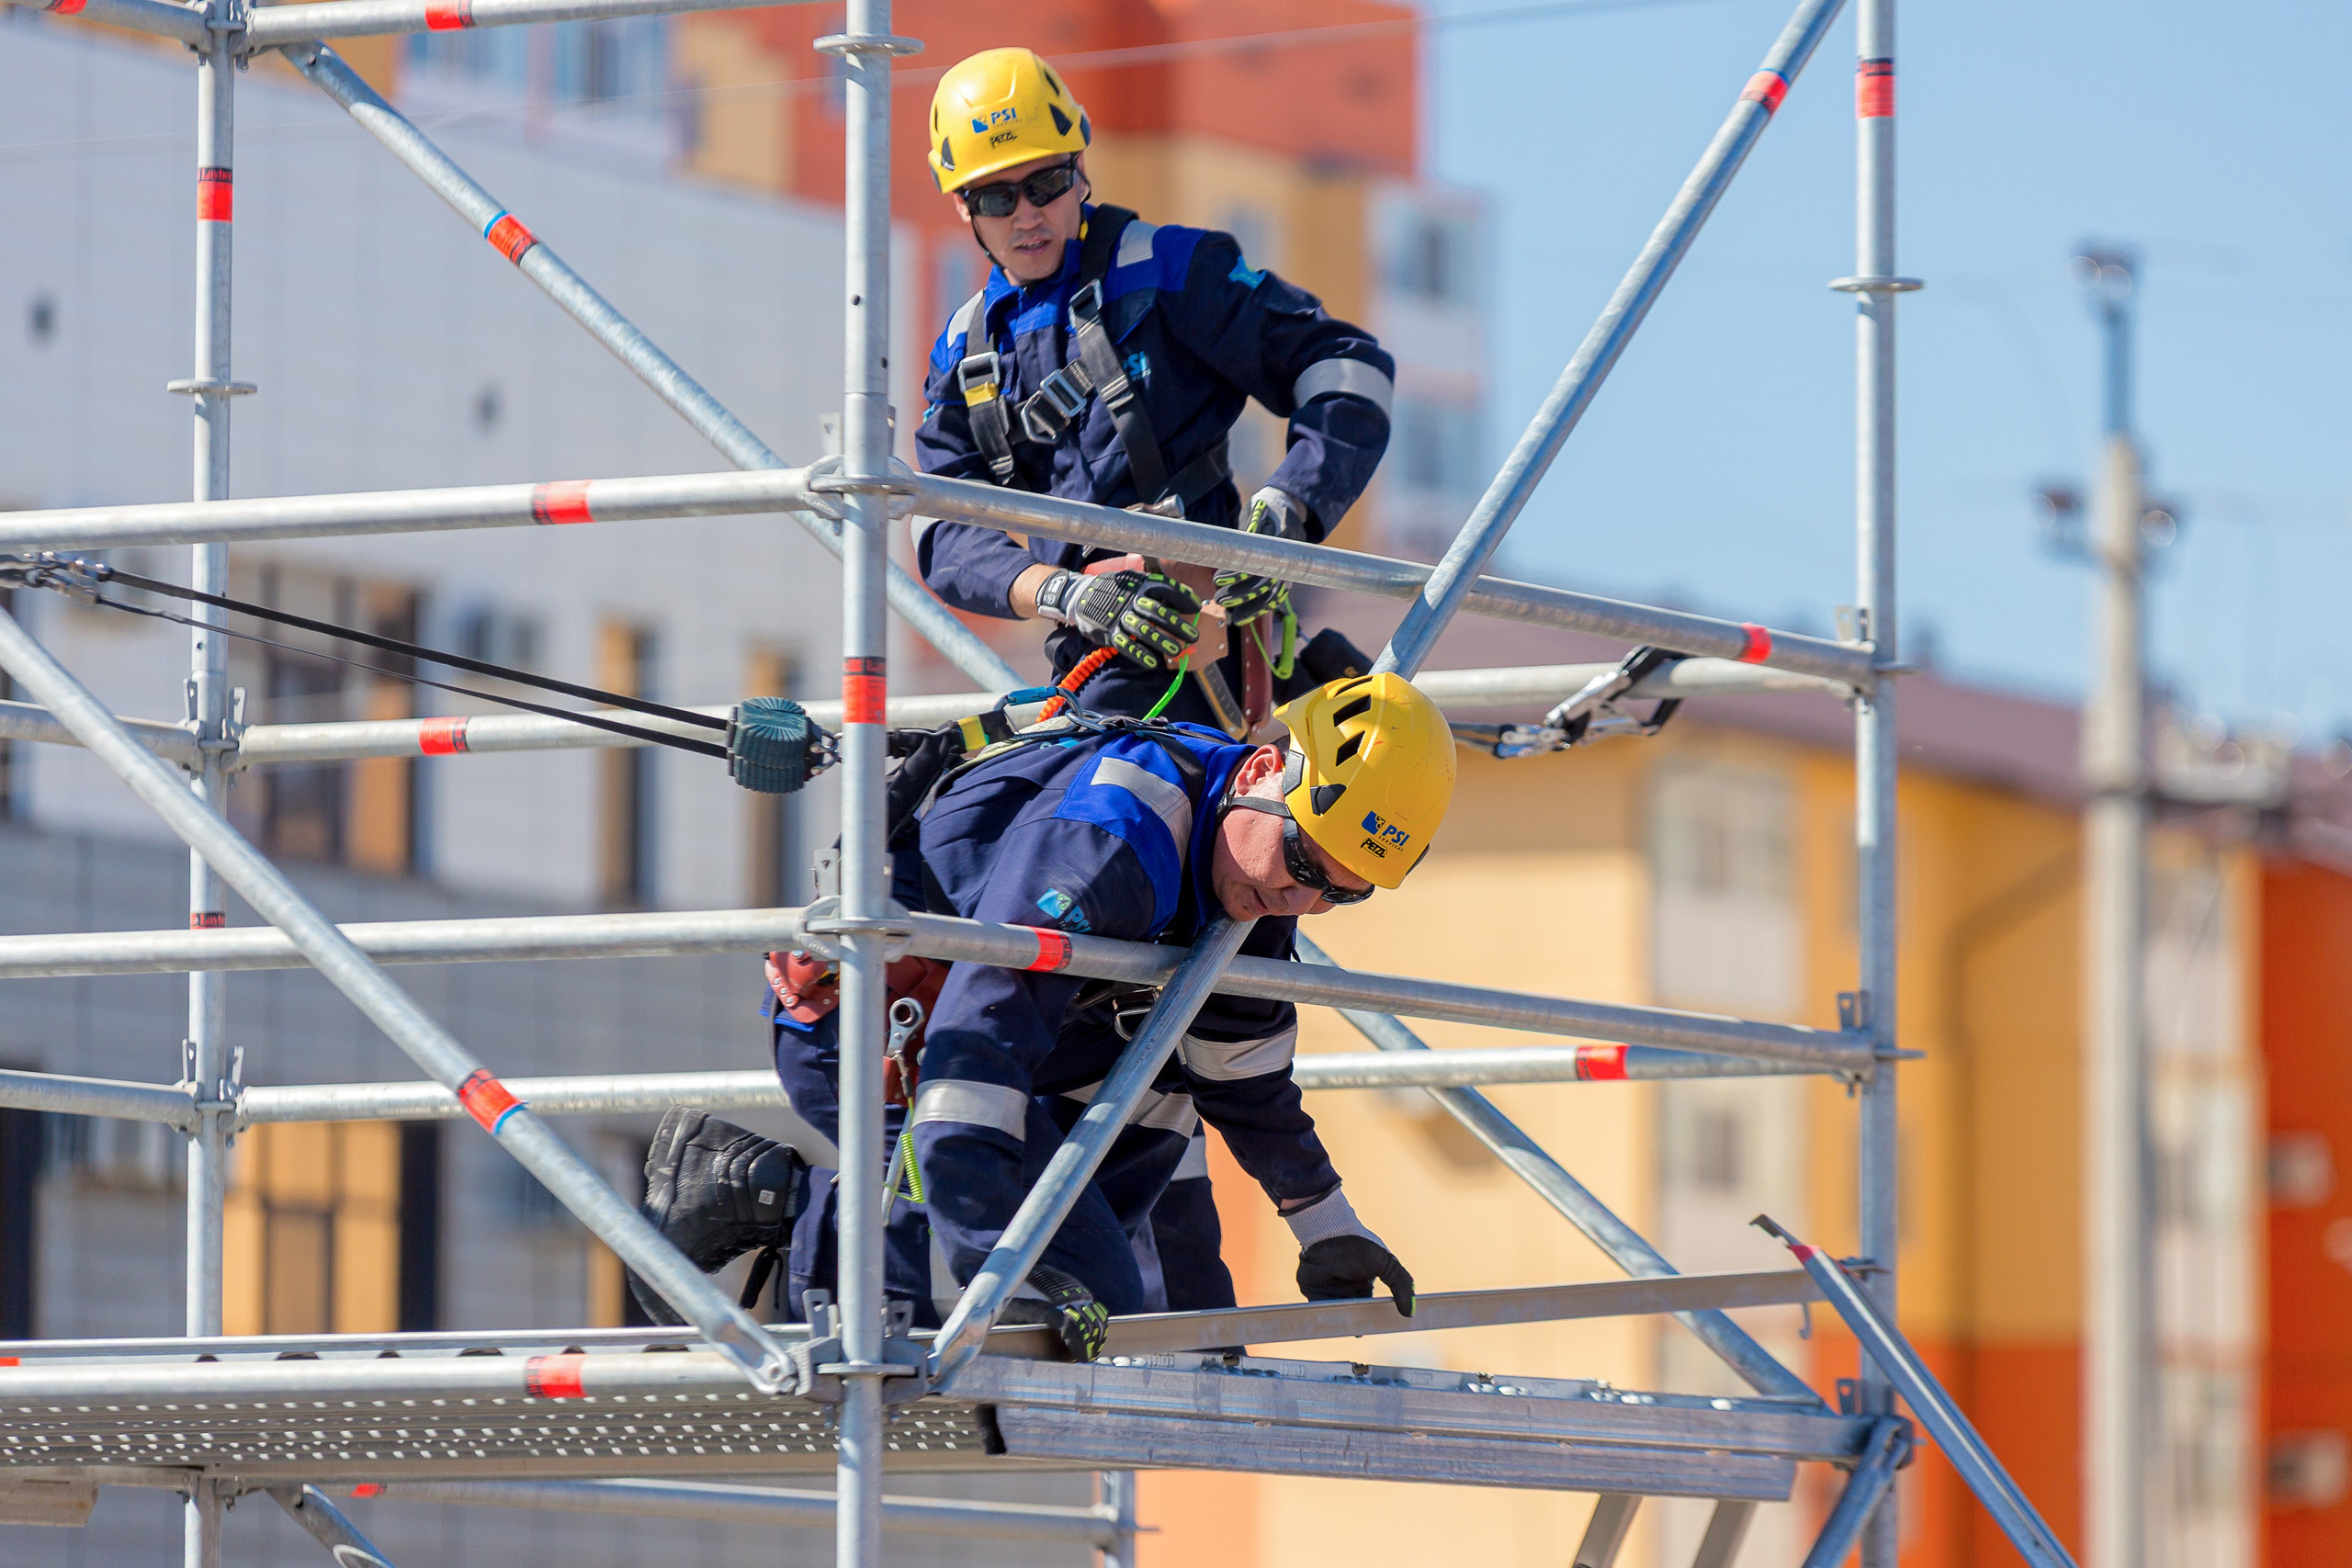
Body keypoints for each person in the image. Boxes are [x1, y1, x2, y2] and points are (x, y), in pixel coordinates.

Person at [632, 673, 1454, 1359]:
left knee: (1146, 1292)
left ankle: (849, 1216)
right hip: (880, 1041)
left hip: (1005, 1053)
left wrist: (1326, 1226)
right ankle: (764, 1196)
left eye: (1341, 891)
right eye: (1305, 859)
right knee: (1017, 1302)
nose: (1301, 898)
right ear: (1262, 771)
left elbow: (1244, 1075)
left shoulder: (1253, 878)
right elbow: (975, 1048)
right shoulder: (1108, 840)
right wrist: (1005, 1262)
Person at [910, 47, 1396, 736]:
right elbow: (943, 525)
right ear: (963, 207)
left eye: (1046, 182)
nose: (1027, 215)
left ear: (1081, 167)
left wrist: (1289, 511)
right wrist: (1065, 593)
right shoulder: (967, 353)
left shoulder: (1169, 270)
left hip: (1214, 651)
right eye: (996, 197)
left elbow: (1344, 366)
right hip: (1089, 662)